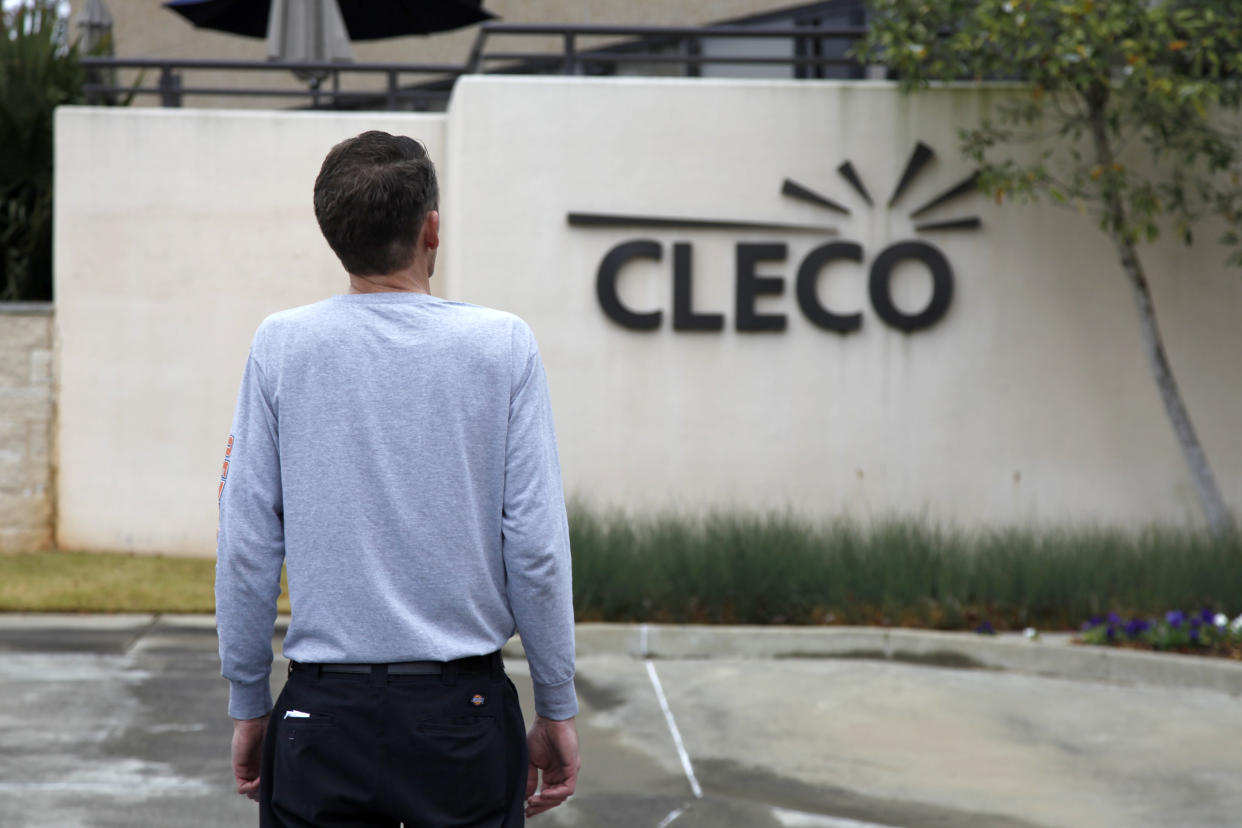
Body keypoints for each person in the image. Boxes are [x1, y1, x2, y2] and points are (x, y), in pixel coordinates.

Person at [215, 130, 579, 827]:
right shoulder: (502, 347)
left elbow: (245, 545)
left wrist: (248, 701)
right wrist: (557, 701)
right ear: (431, 228)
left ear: (334, 234)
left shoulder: (281, 347)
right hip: (463, 724)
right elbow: (534, 548)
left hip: (318, 721)